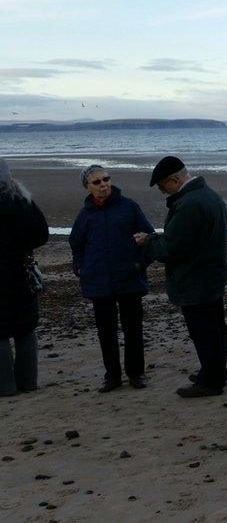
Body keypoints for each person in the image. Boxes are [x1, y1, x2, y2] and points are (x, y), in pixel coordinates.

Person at [134, 156, 227, 398]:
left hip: (195, 278)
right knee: (215, 328)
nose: (161, 191)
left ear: (175, 180)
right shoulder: (210, 195)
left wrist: (148, 241)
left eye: (162, 186)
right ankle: (214, 372)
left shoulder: (189, 204)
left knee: (204, 331)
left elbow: (171, 249)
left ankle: (211, 380)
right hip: (211, 274)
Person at [69, 165, 155, 392]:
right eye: (96, 182)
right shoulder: (85, 215)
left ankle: (136, 373)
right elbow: (76, 244)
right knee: (106, 331)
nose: (103, 184)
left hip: (129, 278)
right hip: (98, 282)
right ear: (87, 186)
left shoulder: (129, 207)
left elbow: (150, 239)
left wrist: (139, 264)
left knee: (133, 329)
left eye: (106, 179)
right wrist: (80, 267)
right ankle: (112, 376)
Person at [0, 158, 49, 396]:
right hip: (21, 273)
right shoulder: (22, 200)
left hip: (12, 274)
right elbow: (41, 235)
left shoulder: (22, 200)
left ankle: (6, 387)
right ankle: (28, 383)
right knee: (25, 329)